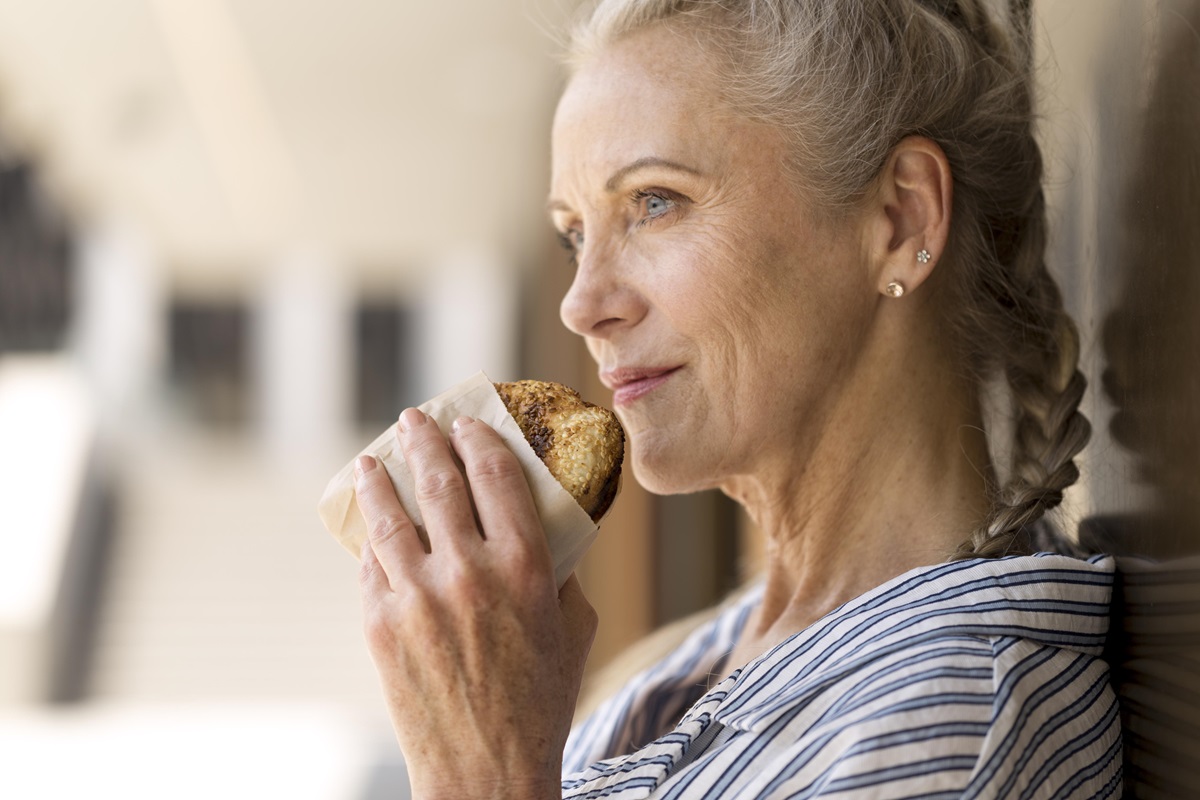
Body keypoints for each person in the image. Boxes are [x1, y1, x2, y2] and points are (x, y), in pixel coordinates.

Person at [350, 0, 1122, 796]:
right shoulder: (704, 659)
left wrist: (481, 773)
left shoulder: (947, 732)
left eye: (654, 202)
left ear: (899, 219)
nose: (581, 304)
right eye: (575, 233)